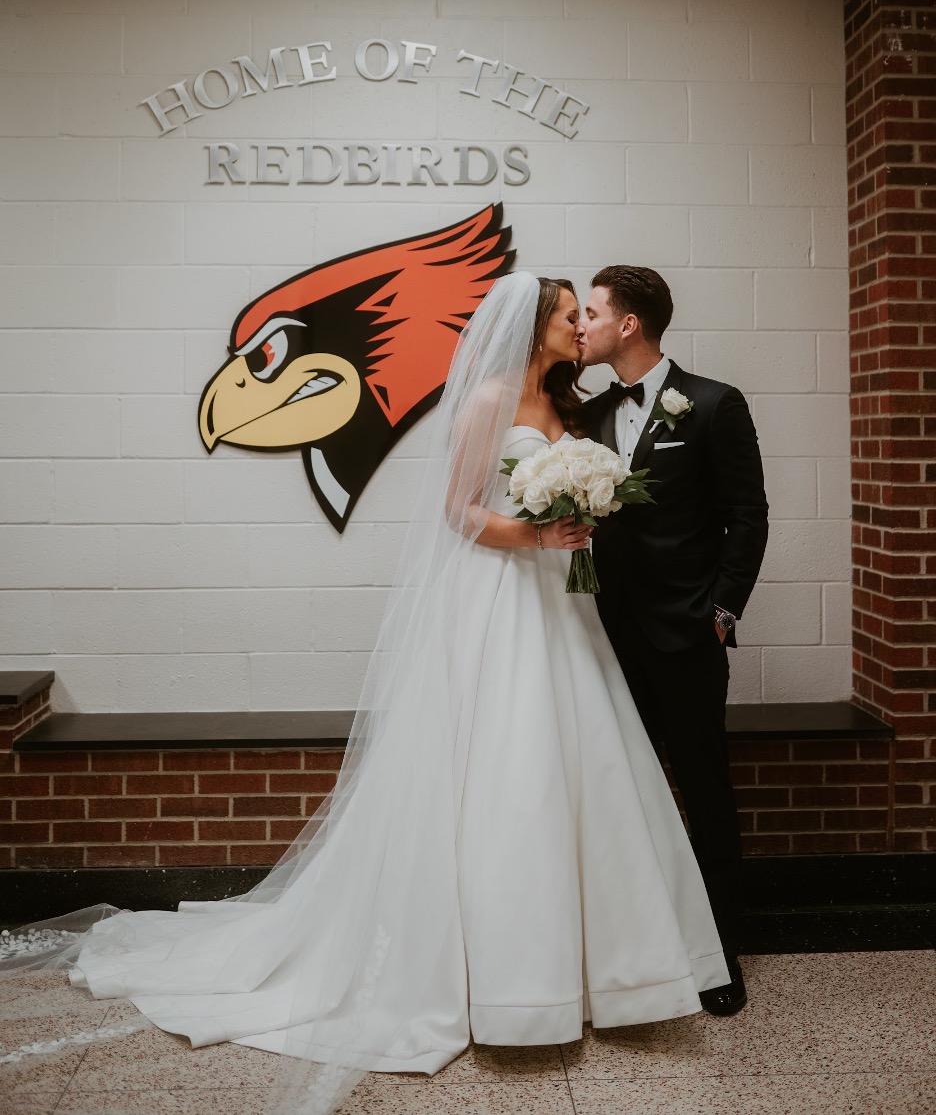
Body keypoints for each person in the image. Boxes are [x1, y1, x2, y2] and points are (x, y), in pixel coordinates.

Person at [0, 272, 730, 1115]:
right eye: (570, 317)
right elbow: (458, 511)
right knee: (503, 775)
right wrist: (537, 531)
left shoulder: (569, 404)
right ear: (534, 329)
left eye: (584, 315)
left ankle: (596, 975)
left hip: (559, 608)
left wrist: (578, 522)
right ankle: (487, 979)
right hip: (497, 602)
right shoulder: (489, 397)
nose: (581, 328)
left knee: (576, 777)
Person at [578, 265, 770, 1016]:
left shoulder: (716, 404)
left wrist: (720, 613)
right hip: (603, 636)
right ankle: (641, 951)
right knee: (624, 792)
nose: (584, 324)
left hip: (686, 638)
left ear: (630, 324)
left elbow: (747, 515)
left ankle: (720, 955)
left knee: (703, 790)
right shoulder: (589, 415)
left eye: (593, 312)